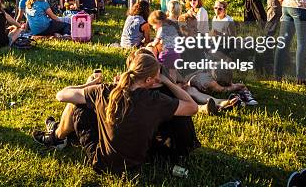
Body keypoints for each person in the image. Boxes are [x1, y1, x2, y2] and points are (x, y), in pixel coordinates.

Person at [32, 53, 197, 174]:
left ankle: (56, 138)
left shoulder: (105, 90)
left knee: (79, 108)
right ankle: (60, 134)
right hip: (136, 164)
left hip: (102, 163)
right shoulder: (157, 100)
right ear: (148, 80)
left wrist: (89, 84)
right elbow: (192, 107)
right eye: (156, 77)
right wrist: (168, 82)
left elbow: (61, 95)